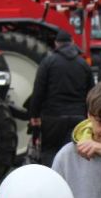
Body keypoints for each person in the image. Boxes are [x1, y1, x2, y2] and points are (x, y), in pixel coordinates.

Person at [29, 30, 95, 166]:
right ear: (72, 42)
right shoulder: (83, 64)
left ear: (56, 44)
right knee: (75, 154)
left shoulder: (48, 63)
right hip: (78, 117)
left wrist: (34, 115)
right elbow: (92, 93)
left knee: (50, 152)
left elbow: (38, 91)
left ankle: (52, 182)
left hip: (52, 117)